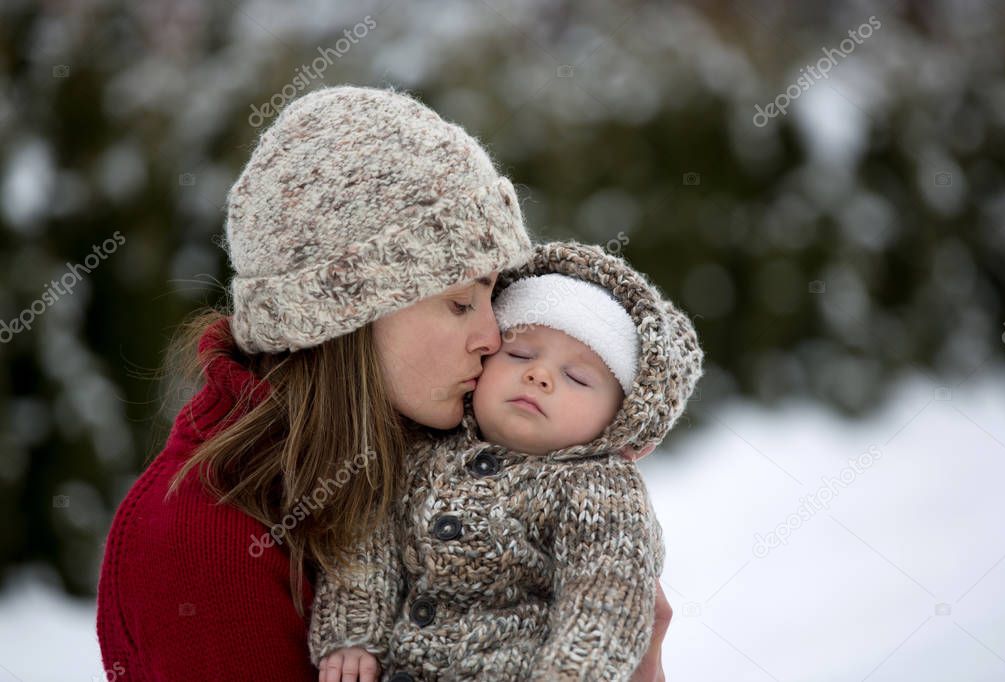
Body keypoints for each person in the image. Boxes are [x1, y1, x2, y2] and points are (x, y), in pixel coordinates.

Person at [95, 85, 672, 681]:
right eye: (458, 303)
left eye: (491, 295)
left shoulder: (407, 451)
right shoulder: (200, 544)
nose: (493, 338)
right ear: (344, 315)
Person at [309, 242, 704, 681]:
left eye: (576, 377)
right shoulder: (422, 449)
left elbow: (604, 599)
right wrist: (355, 632)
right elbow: (368, 541)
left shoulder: (599, 487)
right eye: (518, 354)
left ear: (619, 420)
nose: (539, 376)